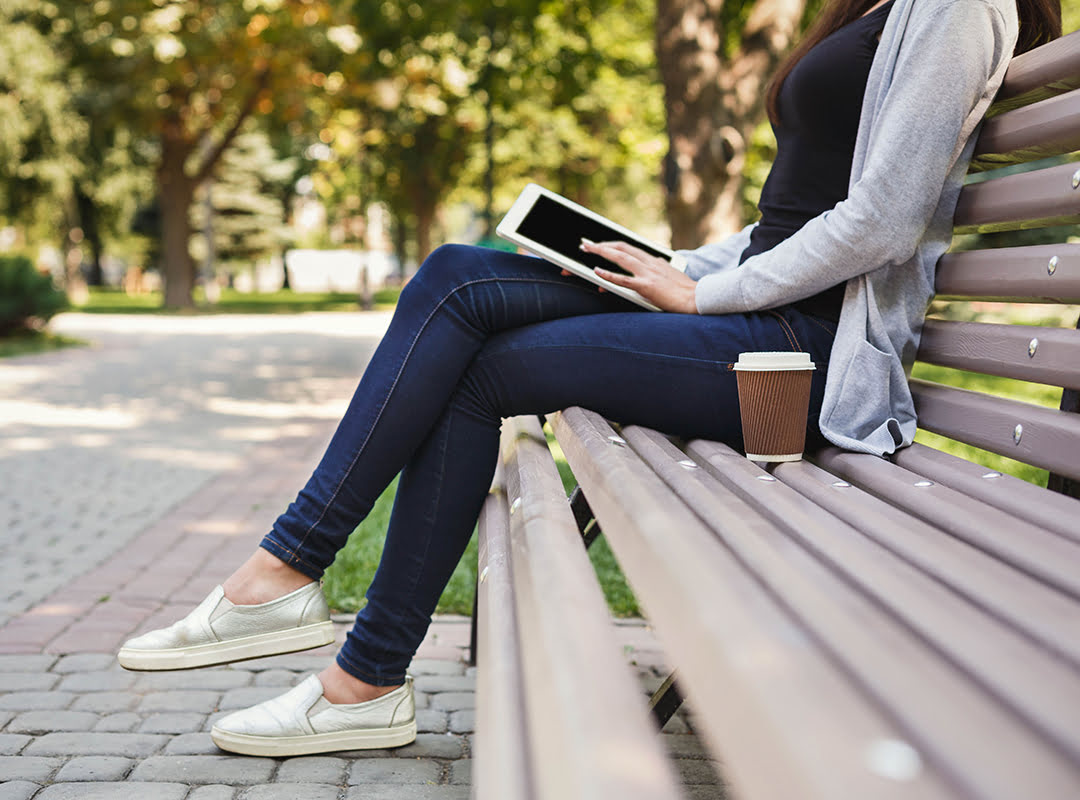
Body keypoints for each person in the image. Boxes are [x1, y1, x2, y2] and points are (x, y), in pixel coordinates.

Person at [116, 0, 1061, 758]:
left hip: (798, 357)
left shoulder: (961, 6)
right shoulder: (880, 7)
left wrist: (705, 297)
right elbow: (792, 214)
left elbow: (885, 222)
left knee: (480, 369)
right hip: (747, 311)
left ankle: (337, 644)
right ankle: (305, 594)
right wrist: (670, 267)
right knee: (455, 273)